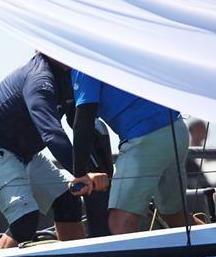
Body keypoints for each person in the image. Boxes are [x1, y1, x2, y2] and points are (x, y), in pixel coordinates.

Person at [0, 53, 95, 249]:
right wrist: (82, 172)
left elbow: (77, 121)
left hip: (26, 153)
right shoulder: (40, 79)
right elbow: (51, 133)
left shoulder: (68, 74)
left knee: (68, 203)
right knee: (25, 221)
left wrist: (94, 167)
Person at [69, 69, 202, 234]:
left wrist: (79, 173)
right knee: (175, 216)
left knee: (120, 222)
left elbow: (84, 119)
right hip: (175, 129)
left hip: (145, 138)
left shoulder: (82, 63)